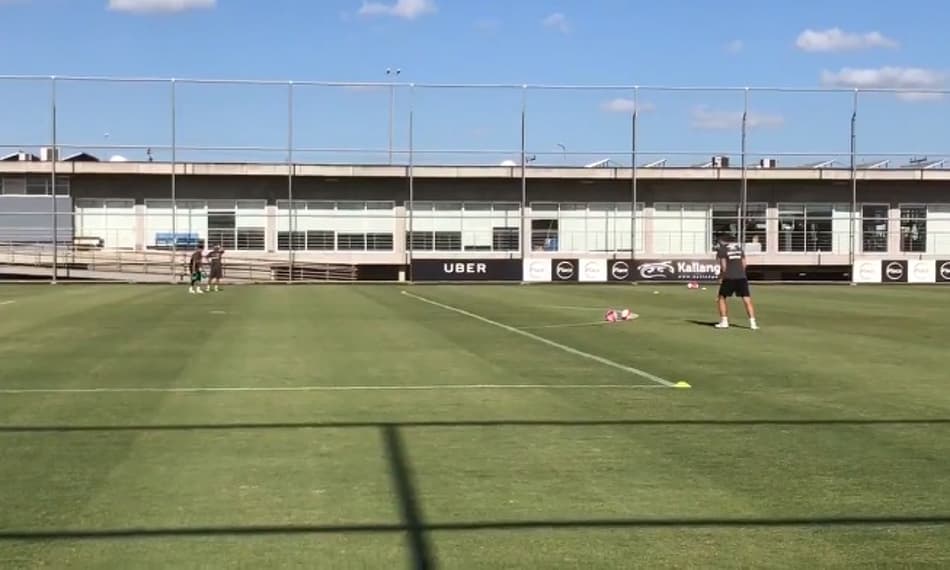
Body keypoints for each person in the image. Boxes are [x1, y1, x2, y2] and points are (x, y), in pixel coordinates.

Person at [715, 236, 758, 330]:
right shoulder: (739, 249)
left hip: (729, 277)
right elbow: (744, 264)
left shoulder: (722, 250)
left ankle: (724, 321)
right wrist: (740, 272)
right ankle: (753, 323)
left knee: (721, 298)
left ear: (722, 241)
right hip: (741, 277)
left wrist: (721, 276)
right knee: (747, 300)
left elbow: (723, 266)